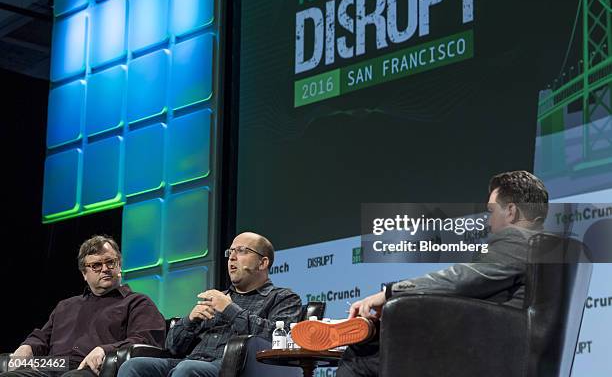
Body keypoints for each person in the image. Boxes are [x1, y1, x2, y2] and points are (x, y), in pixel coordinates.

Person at [292, 170, 549, 377]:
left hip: (480, 356)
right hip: (505, 352)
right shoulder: (554, 249)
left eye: (492, 211)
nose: (488, 220)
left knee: (361, 356)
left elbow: (460, 280)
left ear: (512, 211)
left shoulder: (518, 240)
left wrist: (391, 293)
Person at [118, 232, 302, 377]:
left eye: (242, 251)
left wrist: (230, 309)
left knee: (188, 370)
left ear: (263, 263)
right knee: (133, 366)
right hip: (189, 361)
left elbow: (280, 339)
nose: (232, 258)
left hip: (236, 369)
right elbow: (172, 347)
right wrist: (190, 320)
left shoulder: (283, 298)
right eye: (230, 252)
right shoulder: (215, 297)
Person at [1, 235, 166, 377]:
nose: (105, 269)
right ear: (84, 274)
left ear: (119, 267)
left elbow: (145, 341)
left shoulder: (137, 302)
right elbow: (42, 337)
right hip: (52, 365)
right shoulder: (66, 306)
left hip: (93, 367)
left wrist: (105, 349)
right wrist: (27, 346)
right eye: (96, 265)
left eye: (111, 262)